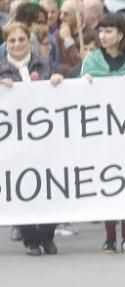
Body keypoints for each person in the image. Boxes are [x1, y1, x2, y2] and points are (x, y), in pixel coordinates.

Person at [81, 11, 125, 255]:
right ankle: (109, 237)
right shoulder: (92, 60)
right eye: (101, 31)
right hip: (101, 135)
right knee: (107, 183)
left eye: (109, 31)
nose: (103, 35)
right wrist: (84, 82)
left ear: (120, 34)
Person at [1, 20, 64, 256]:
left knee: (52, 187)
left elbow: (58, 94)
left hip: (45, 141)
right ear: (6, 43)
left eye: (21, 39)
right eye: (12, 40)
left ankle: (47, 235)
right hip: (14, 145)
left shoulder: (45, 64)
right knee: (21, 188)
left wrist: (58, 81)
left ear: (29, 41)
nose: (17, 44)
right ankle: (30, 238)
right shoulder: (1, 68)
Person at [55, 0, 82, 74]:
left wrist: (68, 40)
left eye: (66, 14)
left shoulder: (89, 35)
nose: (61, 17)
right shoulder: (57, 34)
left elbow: (81, 64)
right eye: (61, 13)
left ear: (79, 16)